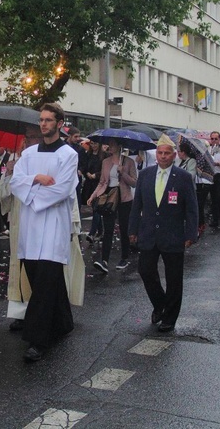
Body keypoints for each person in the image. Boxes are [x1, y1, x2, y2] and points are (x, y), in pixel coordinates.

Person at [10, 102, 78, 362]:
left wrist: (32, 194)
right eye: (41, 120)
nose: (43, 124)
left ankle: (37, 340)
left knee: (46, 282)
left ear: (59, 124)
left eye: (49, 120)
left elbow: (62, 190)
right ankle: (62, 323)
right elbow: (16, 182)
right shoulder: (28, 154)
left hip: (52, 226)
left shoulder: (68, 155)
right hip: (30, 226)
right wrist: (36, 178)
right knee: (40, 279)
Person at [129, 134, 198, 333]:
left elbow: (191, 208)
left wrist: (190, 234)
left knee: (174, 278)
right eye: (160, 153)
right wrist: (133, 230)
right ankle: (160, 304)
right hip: (149, 233)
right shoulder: (146, 175)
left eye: (167, 153)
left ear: (174, 155)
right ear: (156, 155)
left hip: (173, 234)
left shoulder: (183, 178)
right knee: (145, 270)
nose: (163, 156)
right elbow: (137, 205)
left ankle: (170, 317)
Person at [87, 139, 137, 272]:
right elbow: (102, 182)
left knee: (124, 227)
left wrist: (123, 173)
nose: (110, 147)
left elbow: (134, 183)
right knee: (108, 229)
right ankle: (104, 260)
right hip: (109, 197)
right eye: (109, 144)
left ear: (119, 146)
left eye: (113, 144)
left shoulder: (128, 162)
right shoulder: (105, 162)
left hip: (124, 198)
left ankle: (124, 258)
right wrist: (93, 196)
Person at [81, 140, 105, 243]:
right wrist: (87, 173)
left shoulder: (104, 155)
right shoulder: (89, 154)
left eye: (95, 143)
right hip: (89, 184)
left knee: (96, 208)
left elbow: (105, 170)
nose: (94, 145)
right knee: (95, 208)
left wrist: (96, 175)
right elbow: (85, 167)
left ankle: (92, 232)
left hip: (99, 184)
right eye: (92, 144)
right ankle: (100, 231)